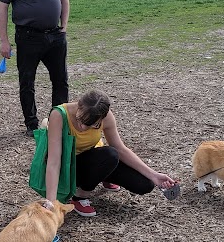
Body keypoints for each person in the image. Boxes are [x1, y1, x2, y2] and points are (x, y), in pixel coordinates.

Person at [45, 90, 179, 217]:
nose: (83, 127)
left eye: (93, 125)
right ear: (79, 105)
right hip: (70, 166)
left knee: (145, 184)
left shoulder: (106, 117)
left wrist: (154, 175)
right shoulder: (59, 114)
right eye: (81, 120)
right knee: (110, 155)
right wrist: (51, 203)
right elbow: (54, 161)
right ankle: (80, 196)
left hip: (96, 160)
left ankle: (101, 175)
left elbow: (120, 149)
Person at [0, 0, 70, 136]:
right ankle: (31, 124)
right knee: (27, 82)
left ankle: (58, 122)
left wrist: (64, 26)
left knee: (61, 80)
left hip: (55, 35)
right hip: (28, 37)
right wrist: (4, 41)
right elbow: (2, 8)